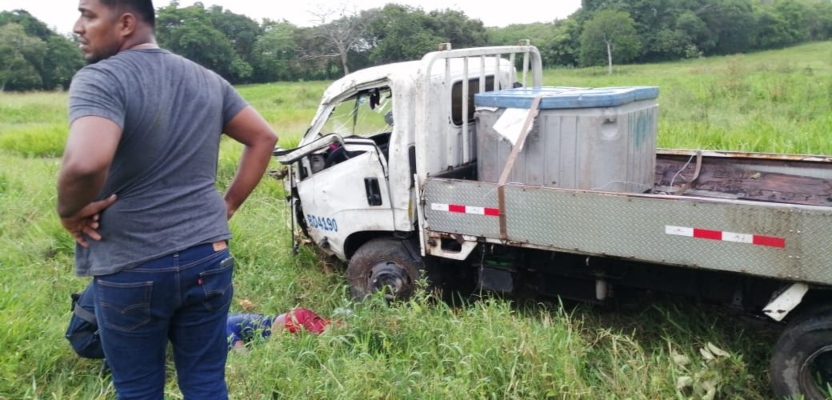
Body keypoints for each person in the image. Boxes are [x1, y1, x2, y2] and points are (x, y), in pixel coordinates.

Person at [56, 0, 278, 398]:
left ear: (125, 23)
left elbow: (86, 163)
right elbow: (264, 137)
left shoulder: (100, 79)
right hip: (207, 256)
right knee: (206, 381)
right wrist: (225, 206)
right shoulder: (207, 78)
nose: (77, 27)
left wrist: (69, 212)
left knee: (139, 389)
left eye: (88, 15)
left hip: (131, 265)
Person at [226, 308, 333, 351]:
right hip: (292, 318)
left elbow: (243, 353)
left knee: (327, 340)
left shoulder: (222, 327)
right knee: (334, 330)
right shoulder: (224, 318)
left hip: (289, 322)